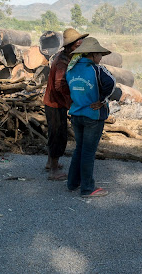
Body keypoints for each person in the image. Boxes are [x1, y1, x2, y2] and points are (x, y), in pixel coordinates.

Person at [65, 37, 116, 197]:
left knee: (79, 149)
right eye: (99, 55)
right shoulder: (97, 69)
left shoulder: (71, 69)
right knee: (88, 152)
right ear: (93, 54)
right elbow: (112, 83)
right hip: (92, 116)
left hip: (76, 115)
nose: (100, 58)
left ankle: (72, 183)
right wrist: (101, 100)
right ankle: (87, 188)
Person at [43, 28, 88, 180]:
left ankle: (50, 162)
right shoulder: (62, 62)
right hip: (55, 103)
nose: (79, 49)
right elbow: (59, 84)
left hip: (54, 102)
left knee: (53, 133)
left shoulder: (67, 57)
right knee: (58, 135)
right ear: (69, 46)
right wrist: (73, 97)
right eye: (77, 46)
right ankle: (54, 171)